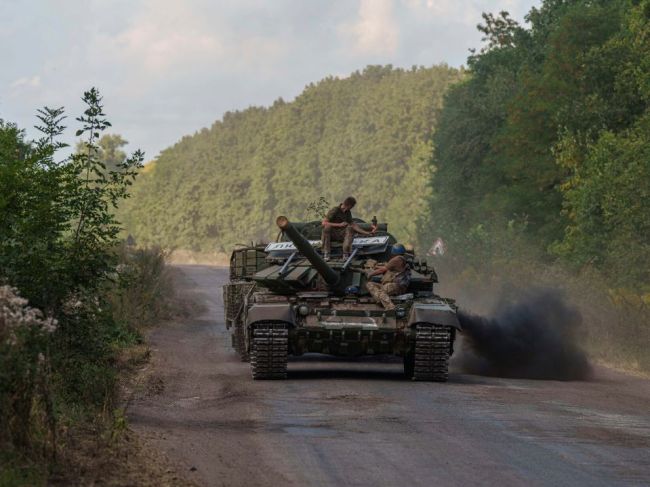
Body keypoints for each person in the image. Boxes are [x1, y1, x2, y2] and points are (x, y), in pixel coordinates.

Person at [321, 196, 376, 260]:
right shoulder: (335, 210)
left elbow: (353, 225)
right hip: (332, 234)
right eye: (352, 206)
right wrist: (339, 225)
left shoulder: (347, 212)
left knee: (350, 228)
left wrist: (367, 233)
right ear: (349, 205)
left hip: (342, 234)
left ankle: (345, 253)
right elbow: (324, 223)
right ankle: (326, 253)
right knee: (327, 228)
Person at [365, 243, 411, 310]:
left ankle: (390, 308)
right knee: (370, 284)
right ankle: (380, 300)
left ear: (393, 251)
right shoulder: (402, 259)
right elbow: (386, 266)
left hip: (396, 285)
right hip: (392, 285)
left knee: (381, 291)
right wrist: (376, 266)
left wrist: (370, 274)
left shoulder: (396, 259)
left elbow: (382, 270)